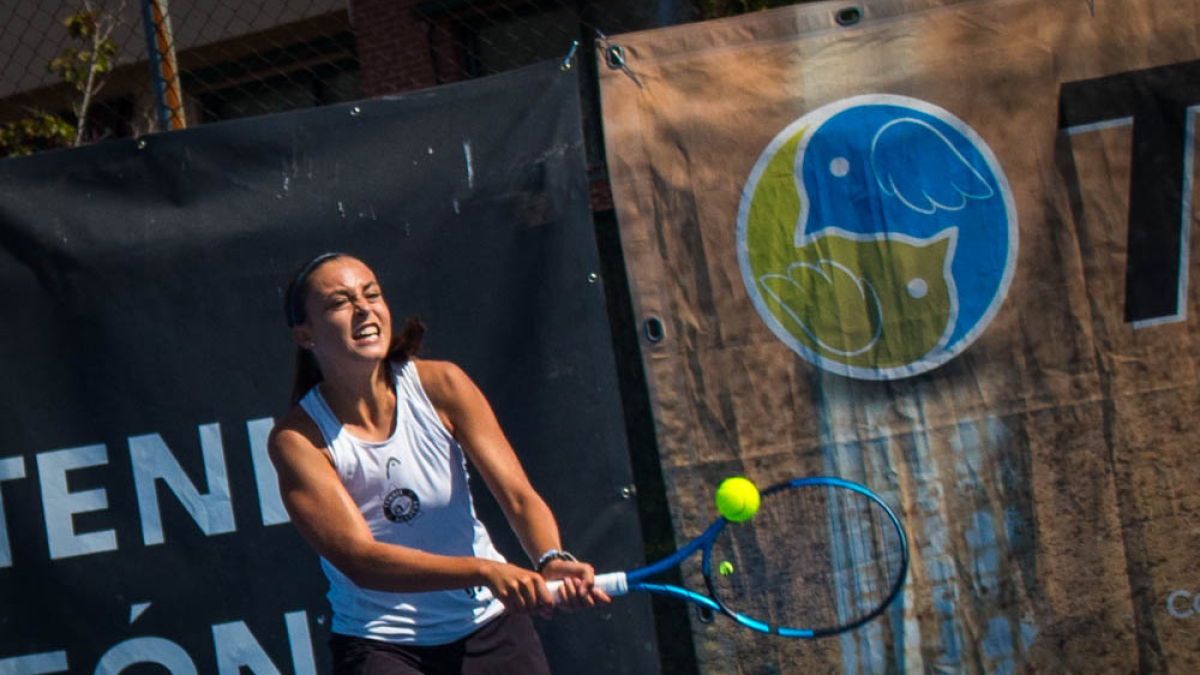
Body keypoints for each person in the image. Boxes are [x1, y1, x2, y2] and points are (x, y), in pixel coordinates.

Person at [268, 252, 609, 675]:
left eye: (371, 294)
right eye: (339, 303)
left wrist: (550, 558)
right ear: (305, 335)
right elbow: (361, 560)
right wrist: (485, 571)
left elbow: (519, 497)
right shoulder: (297, 440)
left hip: (491, 628)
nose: (363, 309)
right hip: (383, 645)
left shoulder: (443, 384)